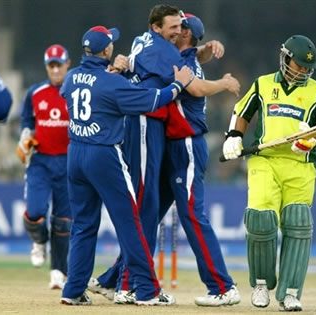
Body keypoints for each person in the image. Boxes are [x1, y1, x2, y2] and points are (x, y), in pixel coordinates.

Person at [87, 5, 241, 306]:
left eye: (180, 28)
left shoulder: (180, 62)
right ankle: (116, 279)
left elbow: (194, 86)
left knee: (191, 215)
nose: (176, 31)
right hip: (169, 145)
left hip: (186, 146)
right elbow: (189, 56)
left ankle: (223, 287)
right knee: (148, 212)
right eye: (173, 26)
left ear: (187, 36)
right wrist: (206, 51)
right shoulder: (178, 56)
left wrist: (223, 82)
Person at [59, 25, 193, 306]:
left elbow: (70, 93)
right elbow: (153, 100)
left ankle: (72, 290)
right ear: (106, 50)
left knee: (83, 225)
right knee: (129, 223)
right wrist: (178, 85)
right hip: (103, 154)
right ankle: (146, 290)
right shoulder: (112, 83)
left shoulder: (71, 78)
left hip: (75, 155)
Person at [222, 35, 316, 311]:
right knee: (260, 220)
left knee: (298, 224)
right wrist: (235, 136)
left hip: (300, 166)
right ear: (285, 59)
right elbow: (243, 111)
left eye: (308, 68)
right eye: (298, 65)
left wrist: (310, 140)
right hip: (265, 161)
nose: (303, 71)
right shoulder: (263, 84)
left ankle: (291, 292)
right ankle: (261, 284)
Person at [16, 44, 72, 290]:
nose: (56, 69)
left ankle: (59, 271)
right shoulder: (35, 92)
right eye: (52, 65)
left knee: (63, 222)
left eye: (60, 64)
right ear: (46, 67)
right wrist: (25, 137)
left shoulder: (75, 90)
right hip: (40, 161)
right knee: (35, 210)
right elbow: (27, 119)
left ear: (68, 64)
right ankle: (39, 241)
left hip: (69, 163)